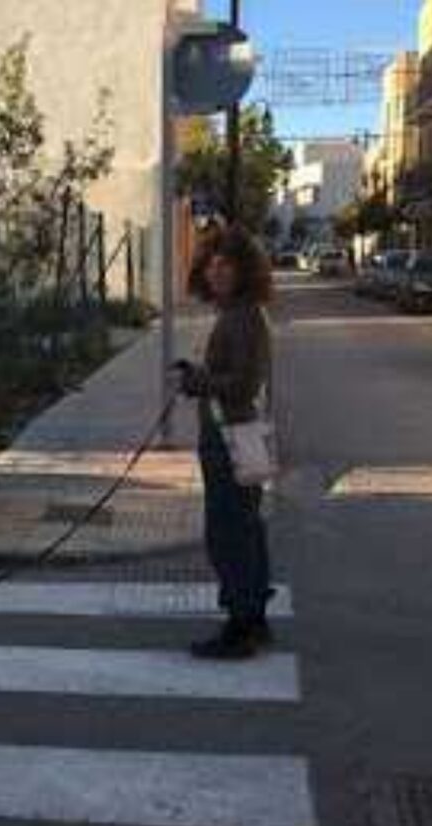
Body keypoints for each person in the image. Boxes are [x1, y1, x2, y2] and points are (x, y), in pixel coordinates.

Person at [173, 227, 274, 660]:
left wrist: (199, 383)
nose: (217, 272)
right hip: (241, 433)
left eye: (226, 264)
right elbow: (232, 374)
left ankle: (241, 626)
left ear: (244, 269)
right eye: (212, 263)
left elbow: (244, 383)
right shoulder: (238, 312)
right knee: (246, 528)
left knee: (228, 532)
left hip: (232, 434)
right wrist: (199, 372)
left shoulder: (245, 316)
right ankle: (254, 618)